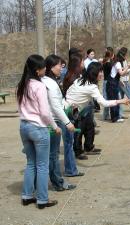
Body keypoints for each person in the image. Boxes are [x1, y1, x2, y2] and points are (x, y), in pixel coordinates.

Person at [17, 54, 59, 209]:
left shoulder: (22, 84)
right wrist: (55, 126)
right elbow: (45, 112)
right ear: (37, 70)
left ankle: (27, 196)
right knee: (42, 165)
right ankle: (42, 199)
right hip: (39, 128)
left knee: (31, 163)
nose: (45, 69)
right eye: (43, 67)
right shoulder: (39, 86)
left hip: (24, 126)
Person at [63, 62, 130, 154]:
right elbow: (104, 103)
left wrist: (70, 101)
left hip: (75, 108)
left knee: (88, 126)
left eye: (102, 71)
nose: (102, 74)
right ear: (94, 73)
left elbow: (69, 91)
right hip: (70, 112)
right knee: (77, 131)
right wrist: (121, 101)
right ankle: (77, 152)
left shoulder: (80, 80)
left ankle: (87, 148)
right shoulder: (91, 87)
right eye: (100, 72)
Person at [41, 54, 77, 191]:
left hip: (48, 120)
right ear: (51, 67)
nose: (61, 68)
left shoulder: (47, 81)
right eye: (59, 66)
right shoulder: (49, 82)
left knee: (49, 155)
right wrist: (68, 123)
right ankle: (57, 182)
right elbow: (55, 106)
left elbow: (58, 101)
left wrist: (68, 104)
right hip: (52, 122)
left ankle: (53, 181)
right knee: (53, 154)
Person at [106, 48, 130, 123]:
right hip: (112, 83)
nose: (126, 58)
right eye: (125, 56)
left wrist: (128, 67)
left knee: (115, 99)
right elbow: (121, 73)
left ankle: (115, 117)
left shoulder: (115, 62)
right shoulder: (117, 63)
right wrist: (128, 66)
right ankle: (115, 118)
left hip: (112, 82)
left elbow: (119, 71)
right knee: (114, 100)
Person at [102, 47, 114, 121]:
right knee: (108, 98)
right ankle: (107, 115)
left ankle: (106, 115)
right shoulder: (109, 64)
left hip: (105, 81)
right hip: (108, 82)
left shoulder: (105, 62)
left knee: (106, 98)